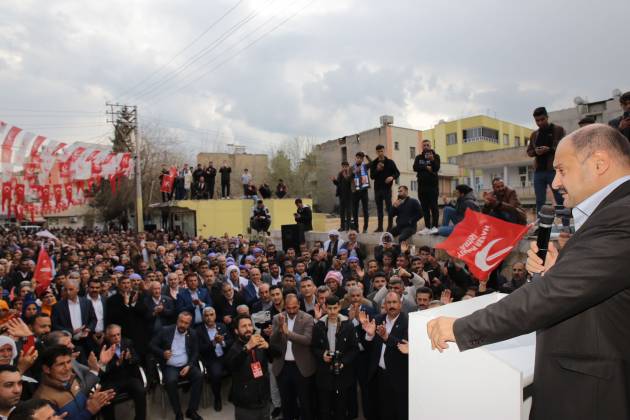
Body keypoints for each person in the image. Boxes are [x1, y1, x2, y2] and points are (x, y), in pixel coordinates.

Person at [427, 124, 630, 419]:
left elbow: (553, 295)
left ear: (599, 163)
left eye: (562, 170)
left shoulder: (621, 215)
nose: (556, 183)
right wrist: (560, 270)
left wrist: (460, 328)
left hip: (592, 398)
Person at [360, 291, 409, 420]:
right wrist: (369, 335)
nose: (391, 305)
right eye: (388, 303)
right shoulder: (377, 319)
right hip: (379, 374)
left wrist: (387, 337)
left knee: (399, 412)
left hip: (398, 377)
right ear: (384, 305)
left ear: (401, 304)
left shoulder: (408, 322)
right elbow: (368, 348)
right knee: (381, 410)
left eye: (394, 302)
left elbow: (404, 346)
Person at [34, 345, 114, 419]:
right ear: (46, 369)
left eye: (69, 362)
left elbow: (83, 401)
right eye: (61, 364)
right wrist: (89, 411)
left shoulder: (72, 379)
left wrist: (93, 400)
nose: (67, 368)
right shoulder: (42, 398)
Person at [311, 296, 359, 420]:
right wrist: (322, 355)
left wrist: (343, 362)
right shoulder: (319, 326)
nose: (332, 311)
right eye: (330, 308)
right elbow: (314, 347)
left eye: (335, 308)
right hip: (324, 374)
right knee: (325, 408)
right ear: (325, 308)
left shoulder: (347, 325)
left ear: (339, 307)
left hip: (342, 373)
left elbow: (354, 349)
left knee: (341, 407)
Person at [150, 312, 203, 420]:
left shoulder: (192, 333)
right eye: (181, 322)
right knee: (170, 381)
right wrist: (162, 353)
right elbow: (151, 345)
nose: (183, 325)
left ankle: (191, 410)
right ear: (177, 320)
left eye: (186, 323)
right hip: (170, 366)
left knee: (199, 376)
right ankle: (178, 412)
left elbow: (195, 352)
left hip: (186, 365)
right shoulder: (165, 330)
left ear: (190, 324)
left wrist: (189, 365)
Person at [270, 294, 316, 420]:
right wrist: (279, 329)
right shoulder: (277, 318)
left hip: (302, 367)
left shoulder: (307, 318)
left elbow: (307, 340)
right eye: (288, 308)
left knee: (305, 401)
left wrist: (288, 333)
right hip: (282, 367)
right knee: (286, 402)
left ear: (299, 305)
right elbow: (272, 341)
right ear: (284, 306)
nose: (291, 311)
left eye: (294, 308)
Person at [226, 315, 276, 420]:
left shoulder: (259, 343)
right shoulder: (234, 348)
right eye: (244, 326)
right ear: (236, 331)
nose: (248, 328)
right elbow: (231, 366)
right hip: (245, 405)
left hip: (263, 400)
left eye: (249, 325)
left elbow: (275, 357)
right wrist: (247, 348)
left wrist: (268, 347)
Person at [527, 106, 567, 223]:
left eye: (542, 119)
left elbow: (564, 147)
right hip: (539, 172)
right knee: (540, 200)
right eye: (537, 121)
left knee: (560, 198)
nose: (540, 122)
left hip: (554, 171)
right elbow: (529, 151)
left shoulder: (558, 130)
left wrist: (548, 150)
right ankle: (541, 226)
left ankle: (565, 225)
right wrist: (536, 152)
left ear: (547, 117)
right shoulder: (534, 134)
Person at [99, 324, 146, 420]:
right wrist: (116, 364)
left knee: (141, 391)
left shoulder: (127, 343)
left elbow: (138, 359)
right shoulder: (103, 348)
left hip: (128, 377)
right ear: (108, 336)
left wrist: (130, 359)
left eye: (118, 334)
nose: (117, 338)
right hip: (112, 380)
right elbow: (102, 371)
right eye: (113, 336)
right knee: (106, 397)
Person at [195, 307, 231, 412]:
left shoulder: (222, 326)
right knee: (216, 375)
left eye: (211, 315)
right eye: (206, 315)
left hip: (225, 356)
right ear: (203, 317)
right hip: (212, 359)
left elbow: (231, 341)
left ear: (215, 316)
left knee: (240, 365)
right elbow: (200, 349)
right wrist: (214, 343)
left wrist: (223, 342)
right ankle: (217, 398)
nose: (209, 318)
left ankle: (234, 392)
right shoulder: (198, 331)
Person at [50, 279, 96, 357]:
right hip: (68, 342)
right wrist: (71, 331)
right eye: (65, 289)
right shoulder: (57, 306)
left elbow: (93, 319)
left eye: (71, 289)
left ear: (77, 289)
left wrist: (88, 329)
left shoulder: (87, 302)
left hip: (86, 340)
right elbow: (54, 325)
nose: (68, 292)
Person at [369, 144, 400, 233]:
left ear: (384, 151)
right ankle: (380, 227)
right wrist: (377, 170)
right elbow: (372, 176)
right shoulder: (374, 163)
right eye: (378, 151)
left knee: (389, 208)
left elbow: (397, 173)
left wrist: (392, 177)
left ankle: (390, 226)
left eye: (381, 151)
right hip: (377, 189)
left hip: (387, 189)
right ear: (376, 152)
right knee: (379, 209)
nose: (380, 153)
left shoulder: (390, 162)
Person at [413, 139, 441, 234]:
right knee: (424, 208)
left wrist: (432, 160)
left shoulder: (436, 156)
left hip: (432, 187)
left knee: (434, 207)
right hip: (422, 187)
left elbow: (436, 168)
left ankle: (435, 226)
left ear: (430, 146)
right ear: (422, 147)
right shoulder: (419, 157)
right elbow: (415, 167)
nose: (426, 147)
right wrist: (426, 167)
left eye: (427, 145)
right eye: (424, 145)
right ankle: (427, 227)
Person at [351, 152, 371, 233]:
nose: (359, 159)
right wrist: (354, 172)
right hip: (355, 191)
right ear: (355, 158)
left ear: (362, 159)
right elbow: (348, 178)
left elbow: (372, 163)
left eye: (361, 158)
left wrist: (367, 155)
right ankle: (356, 228)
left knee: (365, 210)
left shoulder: (365, 166)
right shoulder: (351, 168)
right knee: (355, 210)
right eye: (357, 158)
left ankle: (365, 228)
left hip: (364, 190)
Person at [332, 161, 353, 232]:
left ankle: (348, 227)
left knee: (348, 212)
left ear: (348, 167)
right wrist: (334, 181)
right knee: (342, 212)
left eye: (346, 166)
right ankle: (342, 227)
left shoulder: (350, 173)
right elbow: (338, 184)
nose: (344, 168)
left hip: (349, 195)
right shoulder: (340, 174)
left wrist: (346, 176)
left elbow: (351, 182)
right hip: (341, 195)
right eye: (343, 166)